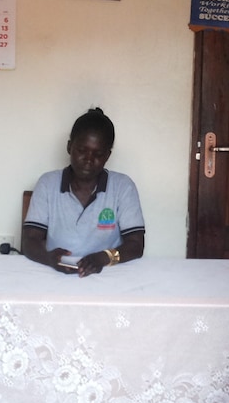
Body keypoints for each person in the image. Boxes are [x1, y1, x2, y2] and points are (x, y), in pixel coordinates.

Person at [23, 108, 145, 277]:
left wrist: (104, 257)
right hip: (55, 275)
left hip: (109, 276)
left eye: (98, 154)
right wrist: (49, 259)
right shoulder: (47, 184)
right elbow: (29, 240)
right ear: (69, 147)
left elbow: (136, 245)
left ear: (107, 156)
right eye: (81, 150)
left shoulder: (123, 187)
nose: (88, 160)